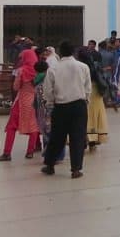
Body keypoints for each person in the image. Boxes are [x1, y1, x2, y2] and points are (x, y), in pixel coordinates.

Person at [41, 41, 92, 179]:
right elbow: (88, 88)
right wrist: (85, 100)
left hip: (61, 106)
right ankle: (76, 169)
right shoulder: (83, 67)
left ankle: (50, 165)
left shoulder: (53, 69)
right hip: (79, 106)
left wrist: (51, 103)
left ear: (60, 52)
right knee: (78, 138)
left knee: (57, 137)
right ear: (74, 52)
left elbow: (48, 90)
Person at [0, 48, 41, 162]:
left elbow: (16, 87)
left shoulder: (22, 70)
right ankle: (30, 152)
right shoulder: (38, 70)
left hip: (22, 101)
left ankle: (7, 153)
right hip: (34, 101)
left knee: (11, 126)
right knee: (33, 126)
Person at [84, 46, 110, 149]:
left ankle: (87, 138)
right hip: (97, 95)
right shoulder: (97, 68)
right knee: (96, 117)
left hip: (87, 95)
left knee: (87, 118)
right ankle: (93, 140)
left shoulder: (83, 68)